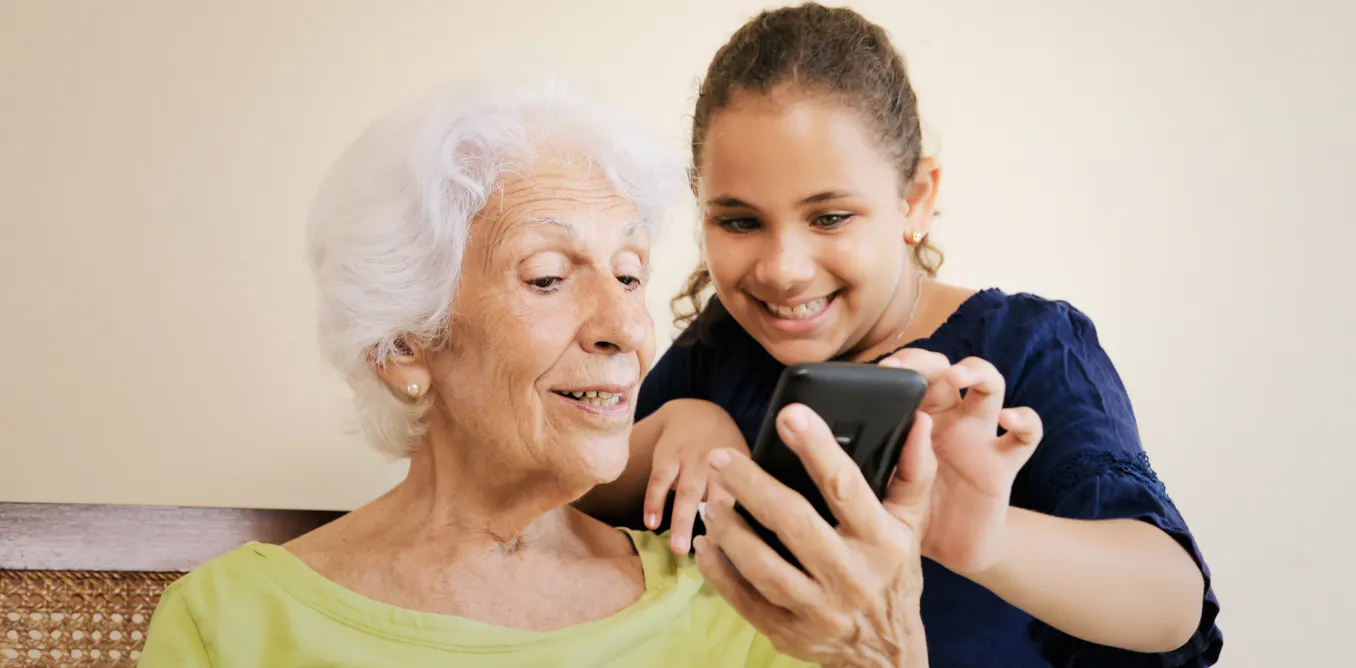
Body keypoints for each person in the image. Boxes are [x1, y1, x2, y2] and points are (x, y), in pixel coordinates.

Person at [138, 80, 941, 667]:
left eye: (629, 275)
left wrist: (889, 647)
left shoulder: (738, 600)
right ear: (405, 346)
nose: (628, 328)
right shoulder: (229, 622)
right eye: (549, 278)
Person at [582, 4, 1223, 666]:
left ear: (915, 199)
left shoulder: (1028, 346)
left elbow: (1172, 603)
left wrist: (984, 539)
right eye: (740, 222)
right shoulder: (722, 343)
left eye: (830, 217)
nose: (783, 269)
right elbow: (564, 495)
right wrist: (676, 427)